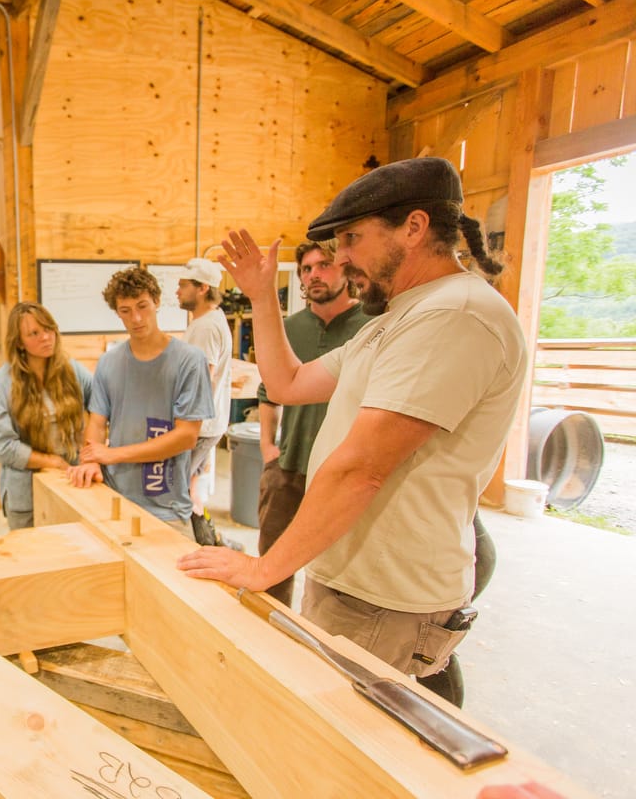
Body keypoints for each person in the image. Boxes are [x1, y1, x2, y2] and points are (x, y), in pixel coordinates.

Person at [178, 157, 526, 707]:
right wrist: (263, 295)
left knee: (355, 758)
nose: (340, 258)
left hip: (386, 595)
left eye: (351, 238)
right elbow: (289, 382)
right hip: (352, 577)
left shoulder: (454, 315)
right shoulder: (398, 319)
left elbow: (362, 468)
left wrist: (264, 568)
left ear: (413, 228)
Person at [255, 242, 368, 606]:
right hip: (289, 466)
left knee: (340, 576)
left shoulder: (371, 327)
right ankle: (269, 638)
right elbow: (268, 392)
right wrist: (268, 448)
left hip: (343, 469)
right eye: (306, 269)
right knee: (271, 567)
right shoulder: (288, 327)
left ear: (346, 269)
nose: (313, 275)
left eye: (324, 265)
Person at [68, 267, 213, 537]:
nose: (135, 318)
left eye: (142, 306)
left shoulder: (189, 361)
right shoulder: (109, 363)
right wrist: (91, 460)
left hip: (166, 506)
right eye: (125, 311)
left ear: (157, 302)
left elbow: (186, 437)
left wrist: (111, 454)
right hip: (115, 499)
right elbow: (97, 423)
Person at [0, 302, 93, 529]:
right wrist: (53, 462)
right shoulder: (3, 382)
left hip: (71, 485)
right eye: (34, 333)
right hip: (25, 495)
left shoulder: (74, 372)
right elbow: (4, 447)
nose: (45, 337)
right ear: (19, 342)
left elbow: (103, 411)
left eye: (48, 329)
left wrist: (91, 454)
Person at [176, 257, 233, 545]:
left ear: (202, 288)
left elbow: (200, 380)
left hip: (200, 426)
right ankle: (212, 543)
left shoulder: (206, 327)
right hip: (205, 424)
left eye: (183, 286)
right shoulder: (204, 321)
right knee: (191, 489)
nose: (177, 291)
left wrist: (179, 422)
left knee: (178, 490)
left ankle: (206, 547)